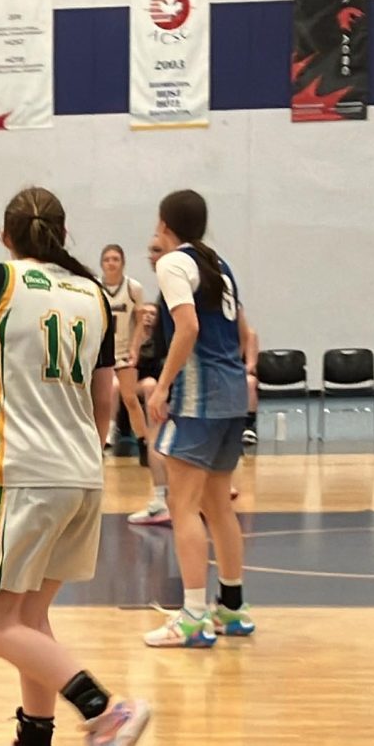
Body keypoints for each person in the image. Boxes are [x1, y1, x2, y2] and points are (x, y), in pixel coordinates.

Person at [0, 186, 150, 746]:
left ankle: (104, 710)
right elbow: (105, 398)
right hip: (83, 473)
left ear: (7, 237)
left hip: (28, 475)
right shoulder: (93, 296)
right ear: (63, 232)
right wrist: (86, 455)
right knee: (28, 618)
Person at [143, 189, 255, 647]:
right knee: (217, 505)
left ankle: (191, 617)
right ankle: (231, 608)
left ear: (166, 225)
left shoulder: (172, 263)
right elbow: (246, 332)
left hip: (200, 394)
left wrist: (165, 384)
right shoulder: (218, 264)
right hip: (232, 393)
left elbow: (187, 327)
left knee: (182, 505)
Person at [127, 238, 173, 525]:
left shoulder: (174, 292)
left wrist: (165, 384)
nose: (150, 256)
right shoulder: (165, 294)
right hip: (176, 379)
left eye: (157, 251)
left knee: (157, 443)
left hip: (179, 381)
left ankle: (163, 502)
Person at [99, 243, 149, 460]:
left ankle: (145, 444)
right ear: (102, 263)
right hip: (101, 353)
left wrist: (134, 348)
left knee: (130, 398)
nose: (111, 263)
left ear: (123, 262)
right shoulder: (95, 287)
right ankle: (98, 444)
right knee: (99, 400)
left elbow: (140, 322)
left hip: (124, 353)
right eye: (107, 259)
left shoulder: (133, 288)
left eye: (115, 259)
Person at [243, 325, 260, 445]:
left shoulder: (249, 335)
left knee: (249, 382)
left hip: (237, 371)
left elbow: (251, 365)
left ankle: (249, 426)